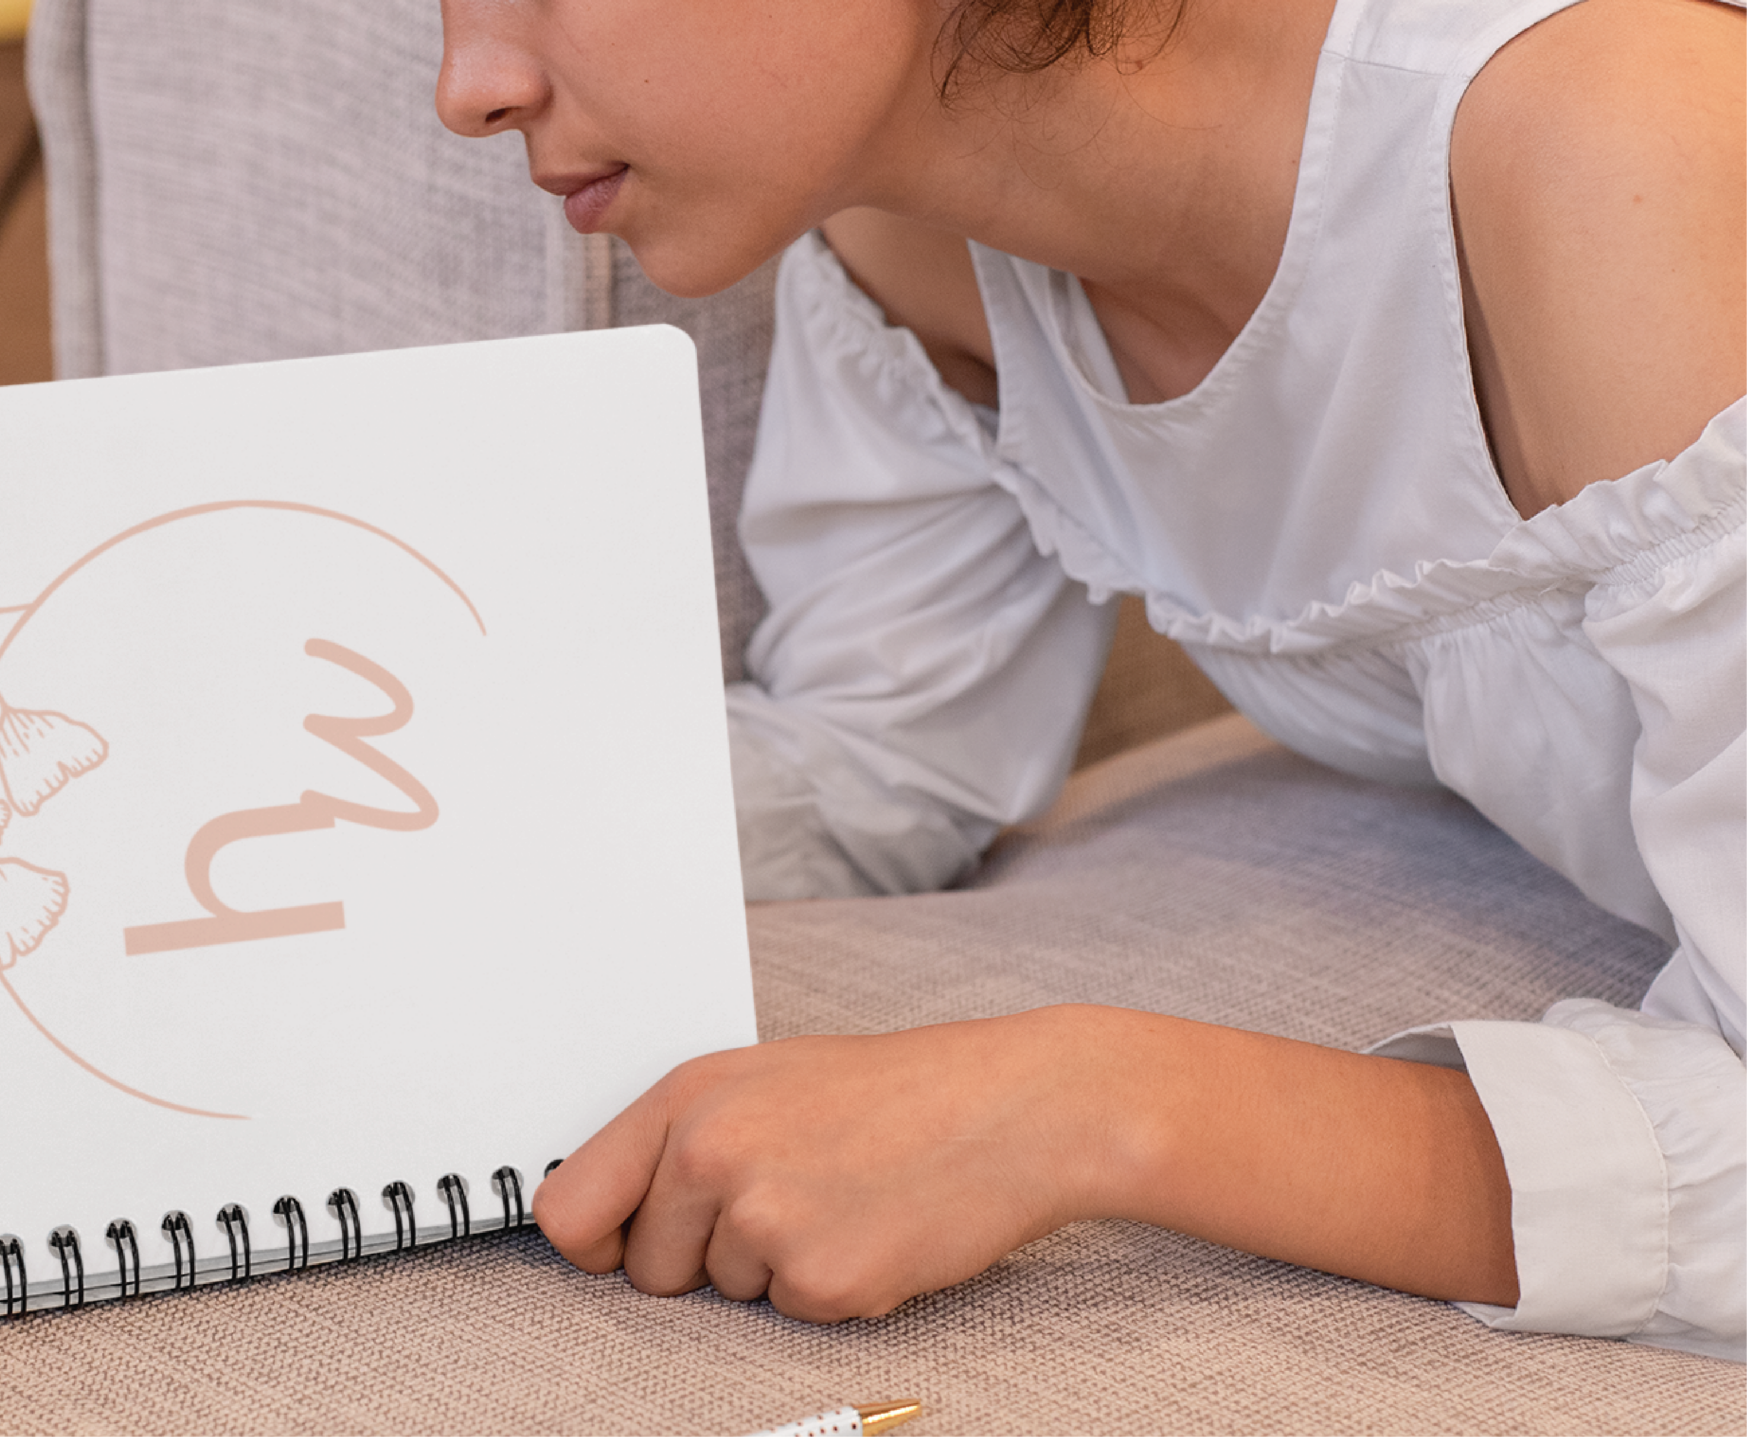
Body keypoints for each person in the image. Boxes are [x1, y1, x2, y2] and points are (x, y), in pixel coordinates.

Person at [435, 0, 1747, 1357]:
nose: (466, 88)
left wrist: (1083, 1108)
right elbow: (884, 755)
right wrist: (380, 842)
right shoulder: (909, 247)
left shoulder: (1628, 145)